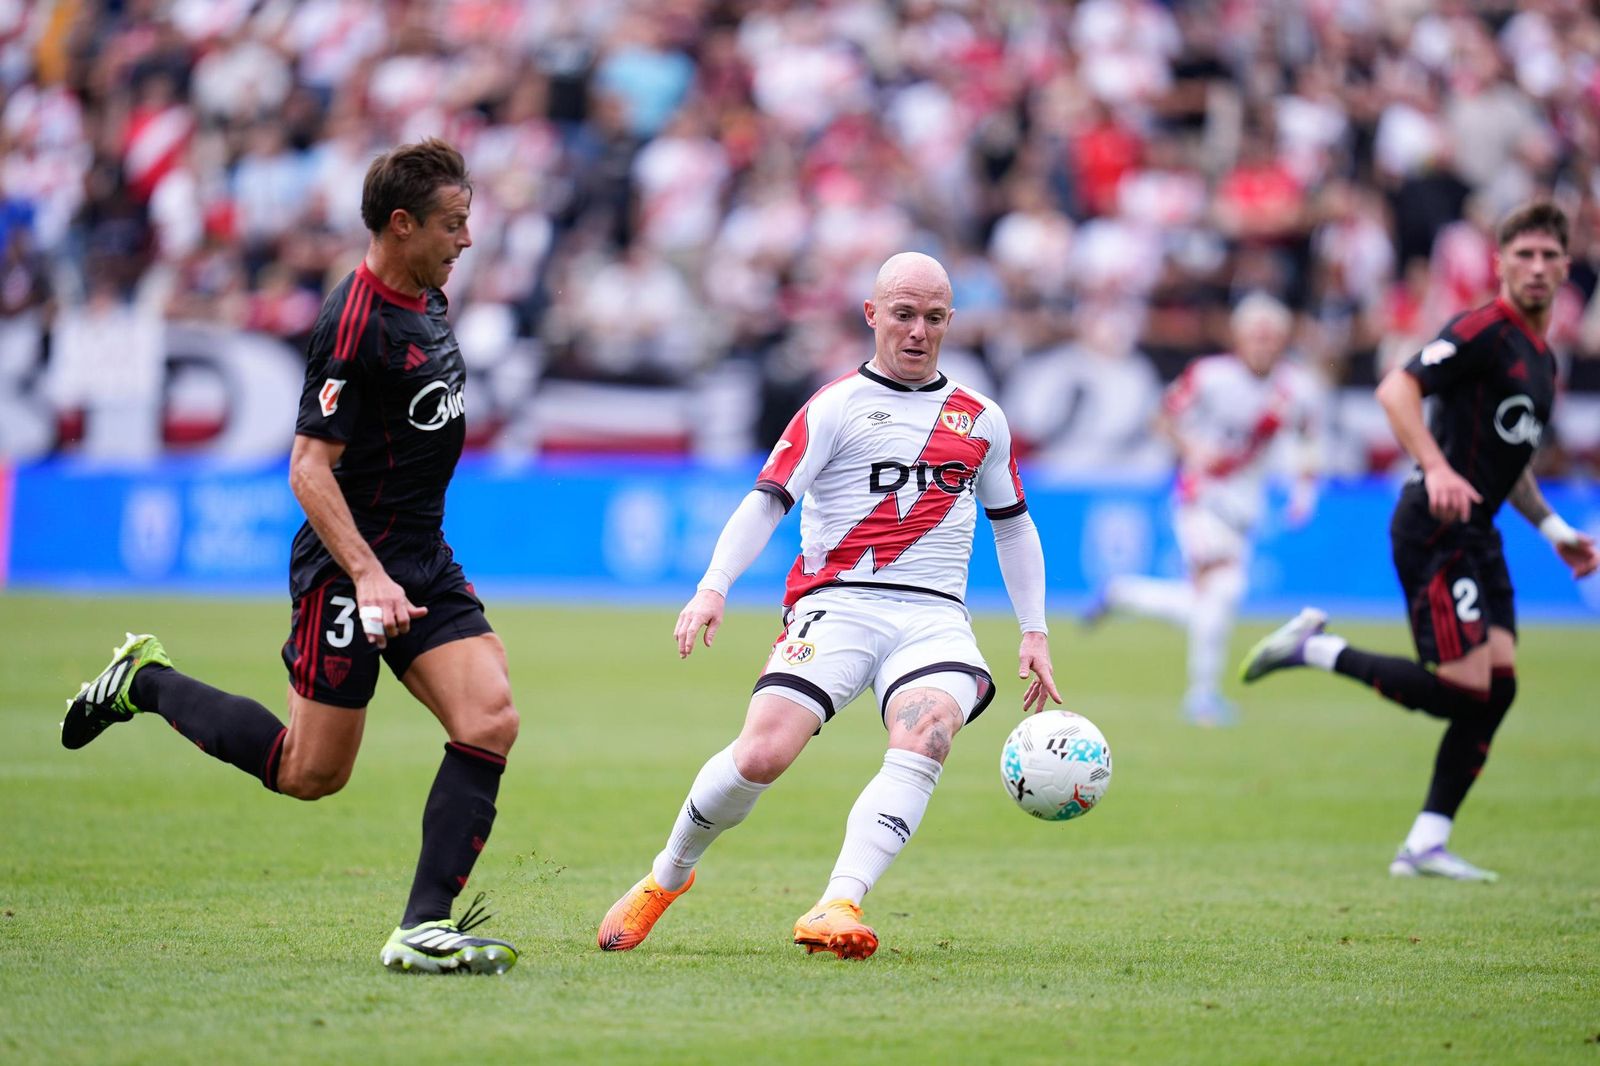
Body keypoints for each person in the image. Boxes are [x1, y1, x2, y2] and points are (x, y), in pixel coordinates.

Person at [60, 139, 522, 973]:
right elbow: (309, 469)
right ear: (401, 223)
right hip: (352, 569)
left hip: (422, 557)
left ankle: (423, 926)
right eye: (453, 224)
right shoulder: (355, 320)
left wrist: (410, 560)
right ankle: (145, 681)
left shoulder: (431, 297)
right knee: (311, 773)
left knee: (489, 717)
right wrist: (368, 573)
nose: (467, 238)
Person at [597, 252, 1060, 960]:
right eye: (903, 315)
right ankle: (669, 875)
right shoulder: (835, 405)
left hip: (934, 617)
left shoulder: (982, 419)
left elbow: (1014, 524)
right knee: (763, 753)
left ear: (950, 322)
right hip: (836, 606)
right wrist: (713, 585)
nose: (917, 332)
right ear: (871, 314)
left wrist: (1035, 631)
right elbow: (766, 501)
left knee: (928, 731)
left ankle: (839, 901)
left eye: (933, 318)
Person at [1239, 202, 1598, 881]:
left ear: (1566, 267)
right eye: (1523, 254)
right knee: (1464, 691)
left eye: (1549, 256)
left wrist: (1554, 530)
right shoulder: (1482, 330)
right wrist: (1435, 465)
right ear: (1499, 263)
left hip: (1480, 531)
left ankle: (1426, 843)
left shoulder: (1544, 358)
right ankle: (1315, 648)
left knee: (1500, 690)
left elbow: (1508, 462)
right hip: (1434, 528)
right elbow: (1396, 388)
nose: (1537, 267)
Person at [1085, 292, 1322, 726]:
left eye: (1271, 337)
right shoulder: (1211, 376)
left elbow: (1308, 440)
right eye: (1256, 336)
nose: (1264, 345)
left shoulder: (1295, 389)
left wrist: (1304, 492)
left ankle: (1124, 594)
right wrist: (1192, 446)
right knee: (1224, 589)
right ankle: (1202, 697)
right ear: (1239, 337)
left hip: (1244, 509)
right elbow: (1162, 416)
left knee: (1207, 602)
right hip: (1200, 498)